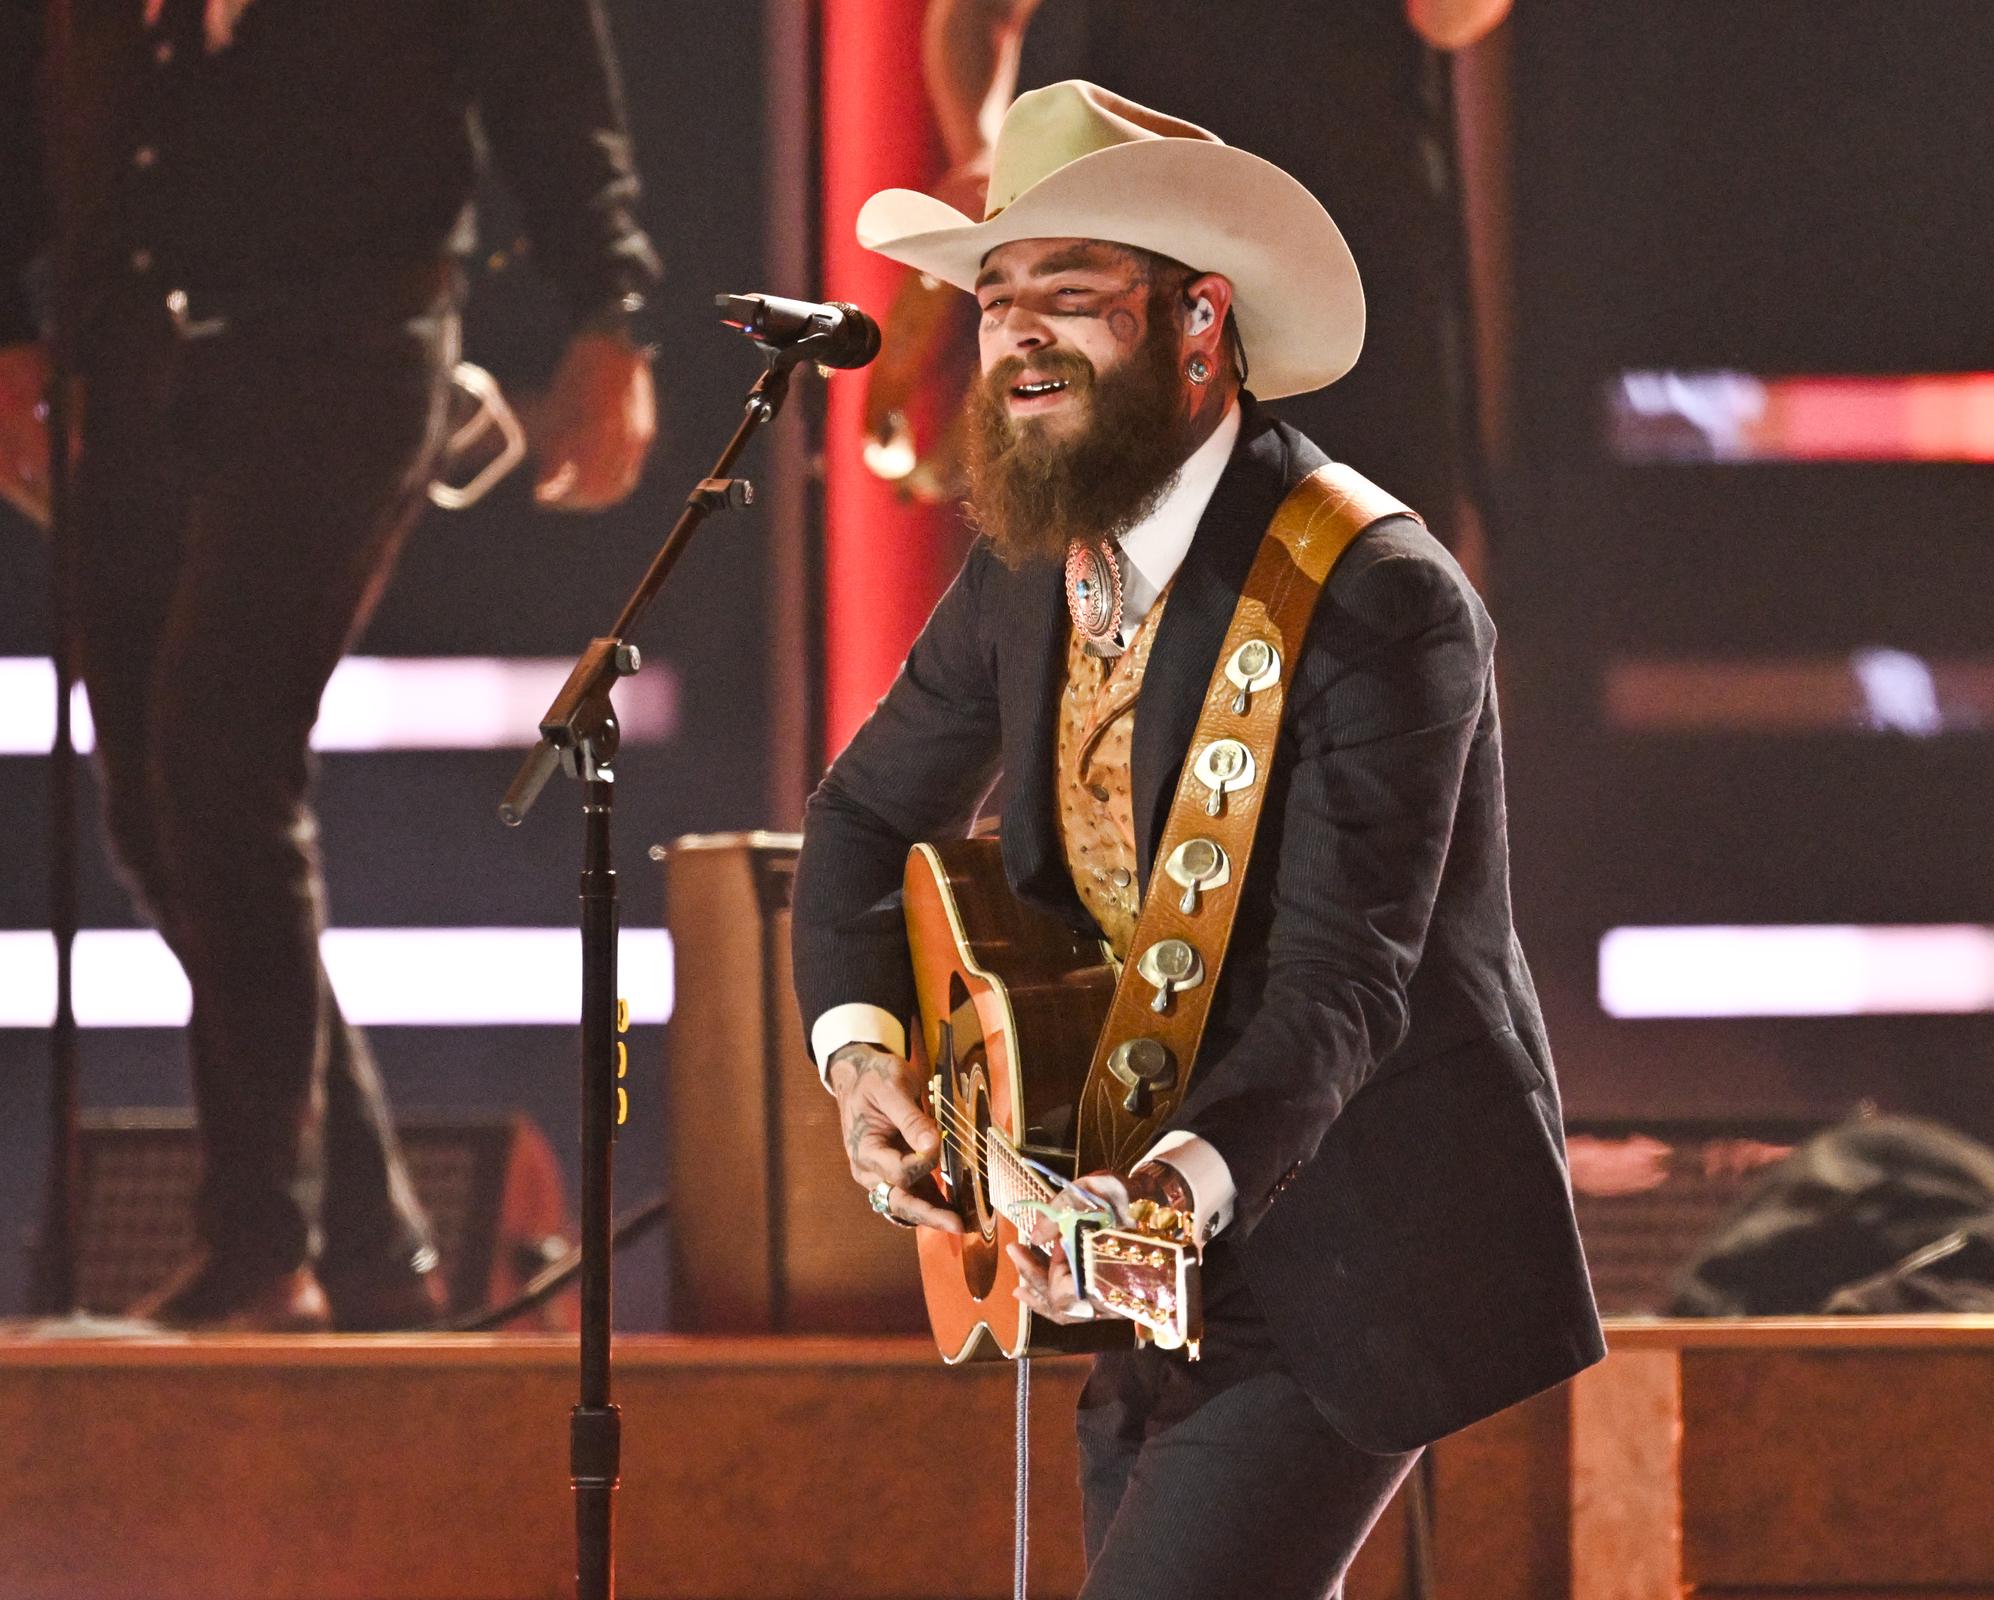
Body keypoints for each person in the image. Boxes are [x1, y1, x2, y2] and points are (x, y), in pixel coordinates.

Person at [793, 82, 1600, 1598]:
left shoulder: (1379, 597)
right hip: (1117, 1266)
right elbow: (858, 818)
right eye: (995, 301)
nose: (1019, 336)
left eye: (1074, 297)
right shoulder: (1028, 570)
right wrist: (865, 1066)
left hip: (1352, 1252)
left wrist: (1170, 1193)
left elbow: (1343, 988)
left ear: (1198, 321)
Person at [0, 0, 663, 1331]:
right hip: (129, 350)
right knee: (154, 800)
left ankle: (266, 1241)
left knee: (219, 756)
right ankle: (369, 1240)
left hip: (347, 352)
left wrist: (609, 315)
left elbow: (546, 74)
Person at [911, 0, 1511, 552]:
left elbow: (1447, 17)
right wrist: (986, 165)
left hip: (1349, 255)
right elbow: (974, 13)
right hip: (1135, 245)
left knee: (1376, 571)